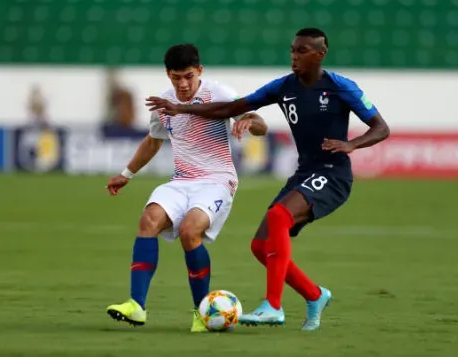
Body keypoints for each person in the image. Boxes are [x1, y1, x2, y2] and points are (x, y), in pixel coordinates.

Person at [145, 28, 390, 331]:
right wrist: (182, 108)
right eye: (292, 50)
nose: (294, 57)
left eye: (302, 51)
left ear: (320, 54)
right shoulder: (283, 86)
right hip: (305, 173)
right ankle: (315, 295)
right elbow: (232, 108)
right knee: (261, 247)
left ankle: (273, 306)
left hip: (333, 174)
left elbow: (381, 128)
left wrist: (352, 145)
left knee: (278, 216)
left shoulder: (341, 87)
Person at [106, 44, 267, 332]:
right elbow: (153, 141)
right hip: (182, 180)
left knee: (189, 231)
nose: (182, 84)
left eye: (188, 77)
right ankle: (136, 306)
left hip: (218, 180)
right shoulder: (164, 104)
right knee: (148, 221)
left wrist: (249, 123)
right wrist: (126, 173)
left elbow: (260, 123)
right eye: (176, 77)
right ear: (168, 75)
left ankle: (201, 312)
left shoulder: (220, 94)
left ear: (200, 72)